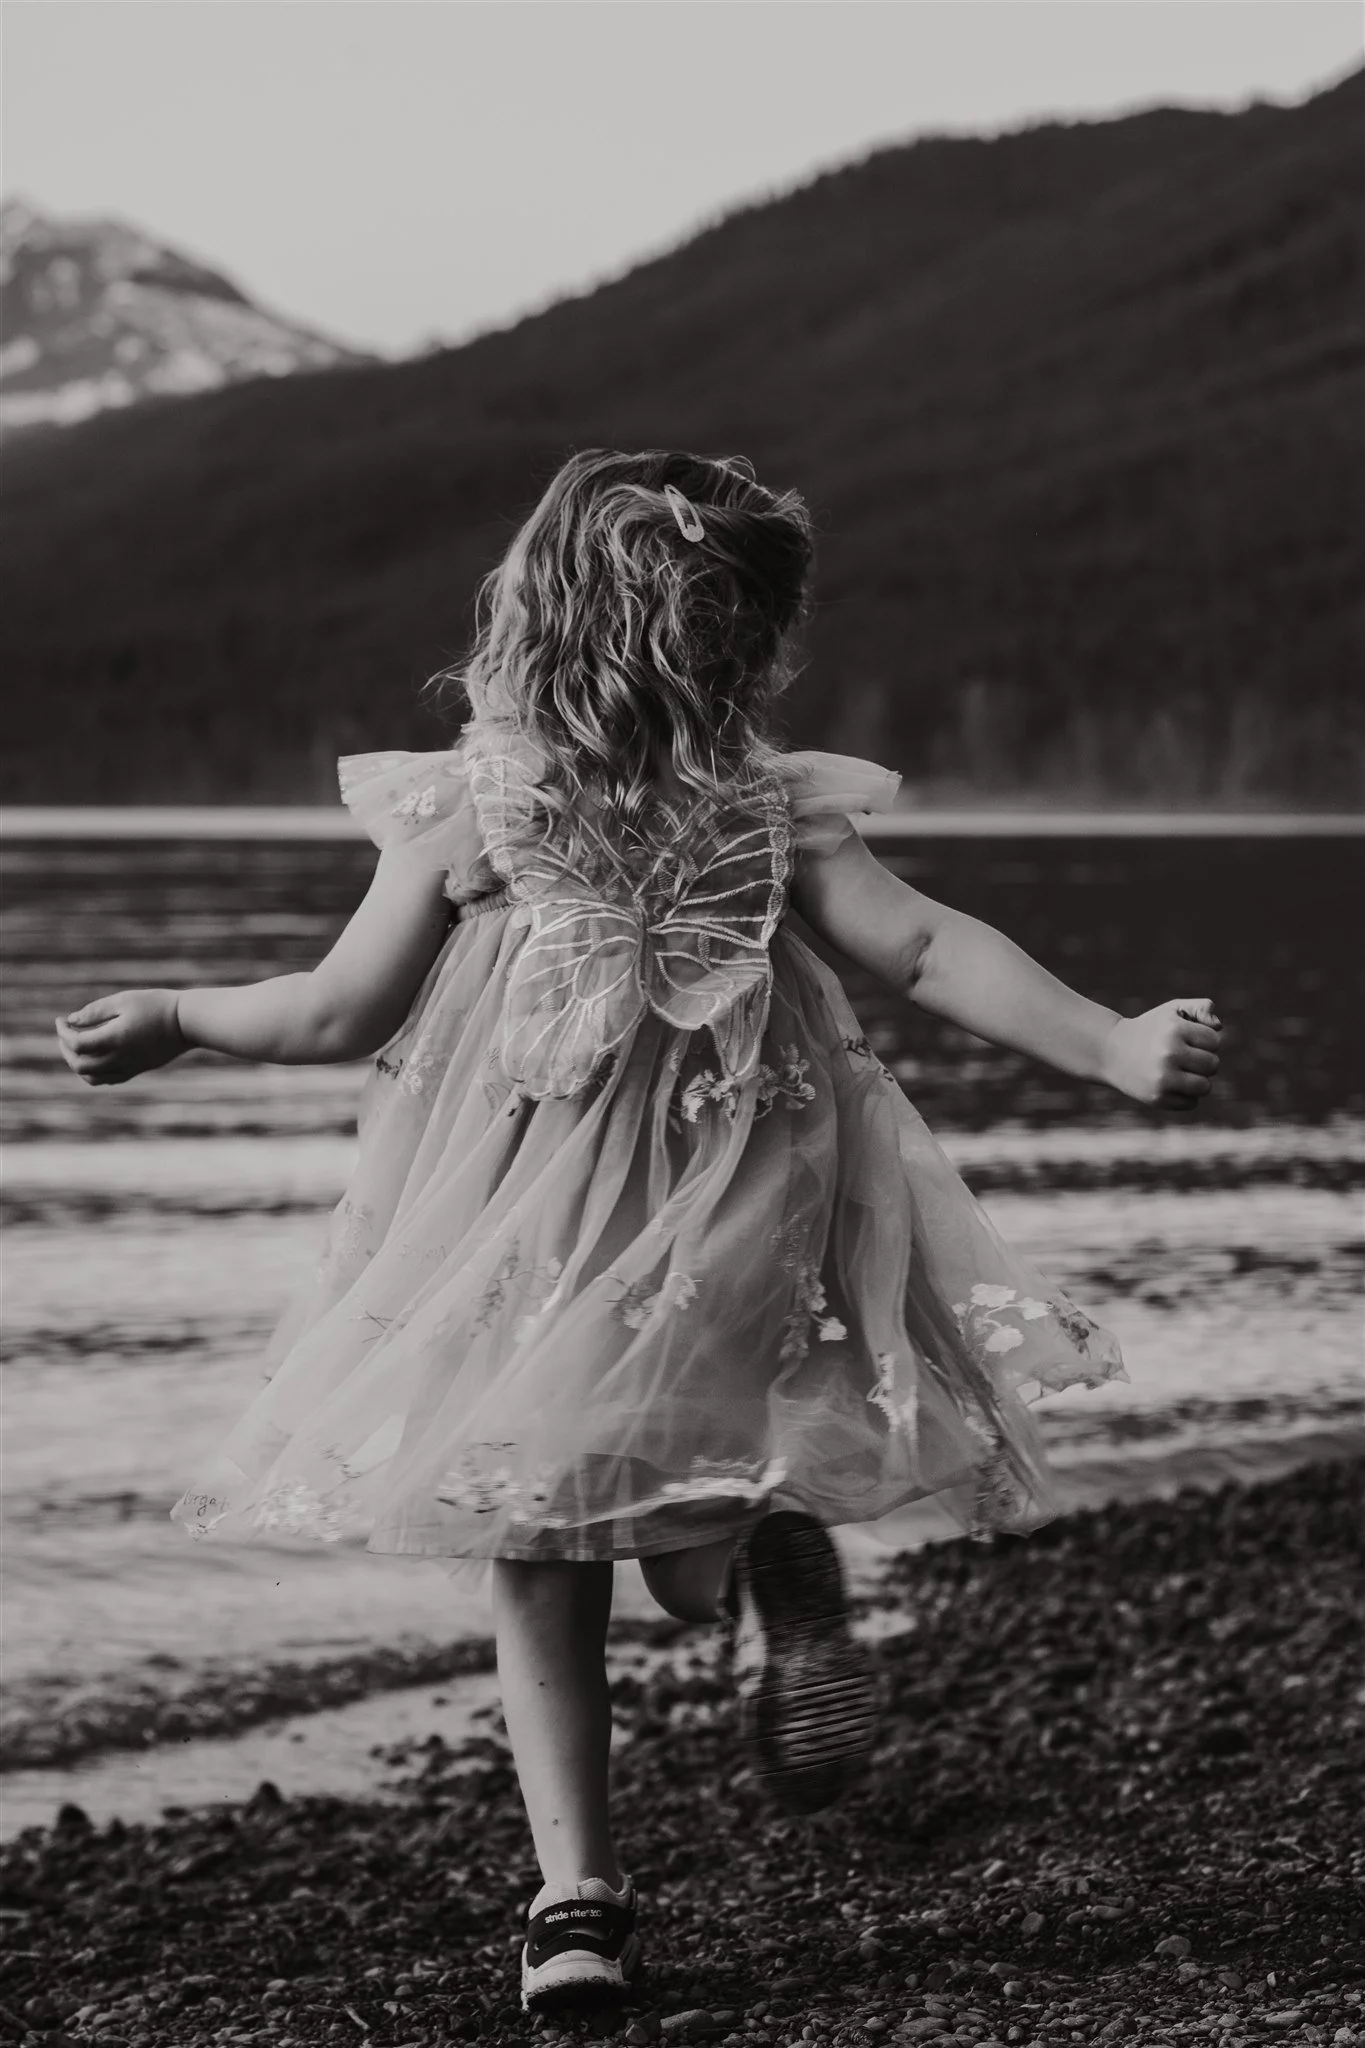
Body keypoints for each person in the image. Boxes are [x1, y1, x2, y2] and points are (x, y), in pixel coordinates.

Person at [56, 449, 1220, 2015]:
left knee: (535, 1545)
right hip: (736, 1206)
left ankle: (577, 1903)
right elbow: (928, 949)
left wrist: (180, 1015)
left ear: (532, 622)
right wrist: (1108, 1045)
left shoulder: (474, 809)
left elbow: (336, 1010)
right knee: (683, 1511)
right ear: (741, 642)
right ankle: (753, 1579)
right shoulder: (765, 804)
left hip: (524, 1228)